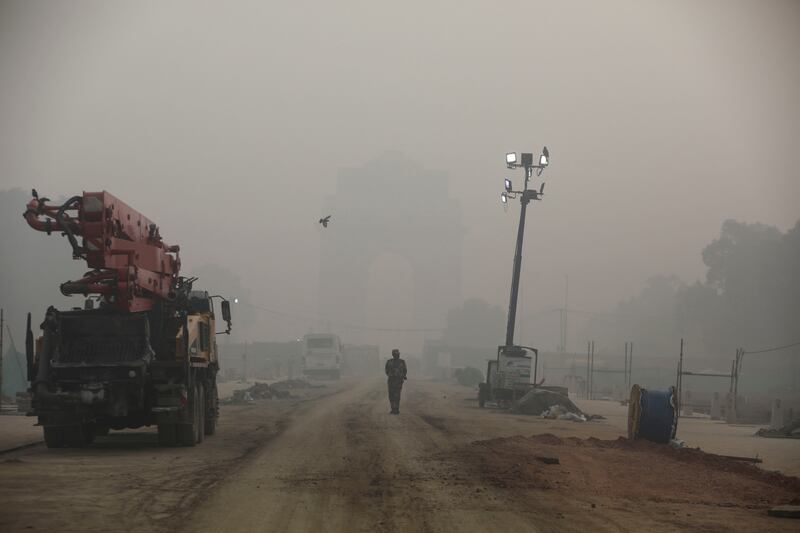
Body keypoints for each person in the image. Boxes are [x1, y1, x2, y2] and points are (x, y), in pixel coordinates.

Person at [385, 348, 407, 415]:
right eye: (396, 354)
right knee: (391, 396)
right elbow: (386, 371)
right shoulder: (389, 362)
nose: (397, 355)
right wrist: (391, 375)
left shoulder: (402, 362)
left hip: (398, 381)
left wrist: (402, 376)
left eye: (398, 354)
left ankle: (396, 409)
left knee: (397, 396)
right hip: (392, 381)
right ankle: (393, 409)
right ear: (393, 354)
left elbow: (405, 370)